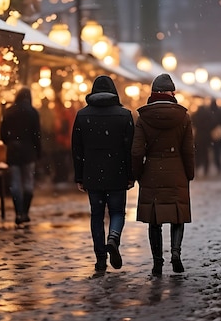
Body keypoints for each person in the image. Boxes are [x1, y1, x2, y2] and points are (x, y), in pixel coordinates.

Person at [131, 73, 195, 276]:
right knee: (178, 214)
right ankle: (176, 253)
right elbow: (188, 150)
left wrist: (138, 174)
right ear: (172, 93)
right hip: (177, 171)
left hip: (152, 172)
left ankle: (157, 262)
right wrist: (189, 173)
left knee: (154, 219)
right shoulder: (183, 117)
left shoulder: (143, 118)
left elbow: (136, 151)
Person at [71, 76, 135, 272]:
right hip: (117, 172)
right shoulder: (125, 115)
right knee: (117, 212)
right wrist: (131, 175)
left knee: (97, 215)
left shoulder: (82, 115)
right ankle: (113, 237)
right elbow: (130, 148)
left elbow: (77, 149)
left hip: (92, 172)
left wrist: (79, 176)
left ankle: (100, 258)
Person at [0, 88, 41, 225]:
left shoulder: (9, 112)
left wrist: (11, 142)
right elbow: (37, 135)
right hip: (29, 151)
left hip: (13, 151)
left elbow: (3, 134)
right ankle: (25, 212)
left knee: (15, 183)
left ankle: (18, 213)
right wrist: (38, 152)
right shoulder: (32, 112)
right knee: (28, 182)